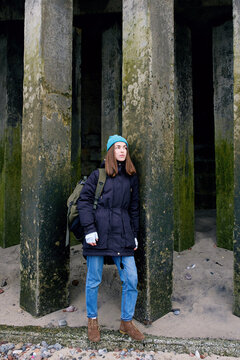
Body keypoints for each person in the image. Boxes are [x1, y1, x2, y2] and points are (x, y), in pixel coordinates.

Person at [77, 134, 145, 342]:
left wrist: (134, 235)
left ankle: (126, 322)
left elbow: (134, 208)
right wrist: (89, 229)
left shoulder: (131, 176)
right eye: (117, 147)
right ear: (110, 152)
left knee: (131, 278)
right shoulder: (97, 175)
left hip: (123, 234)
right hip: (98, 233)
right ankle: (92, 321)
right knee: (94, 279)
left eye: (124, 147)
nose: (122, 151)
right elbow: (84, 201)